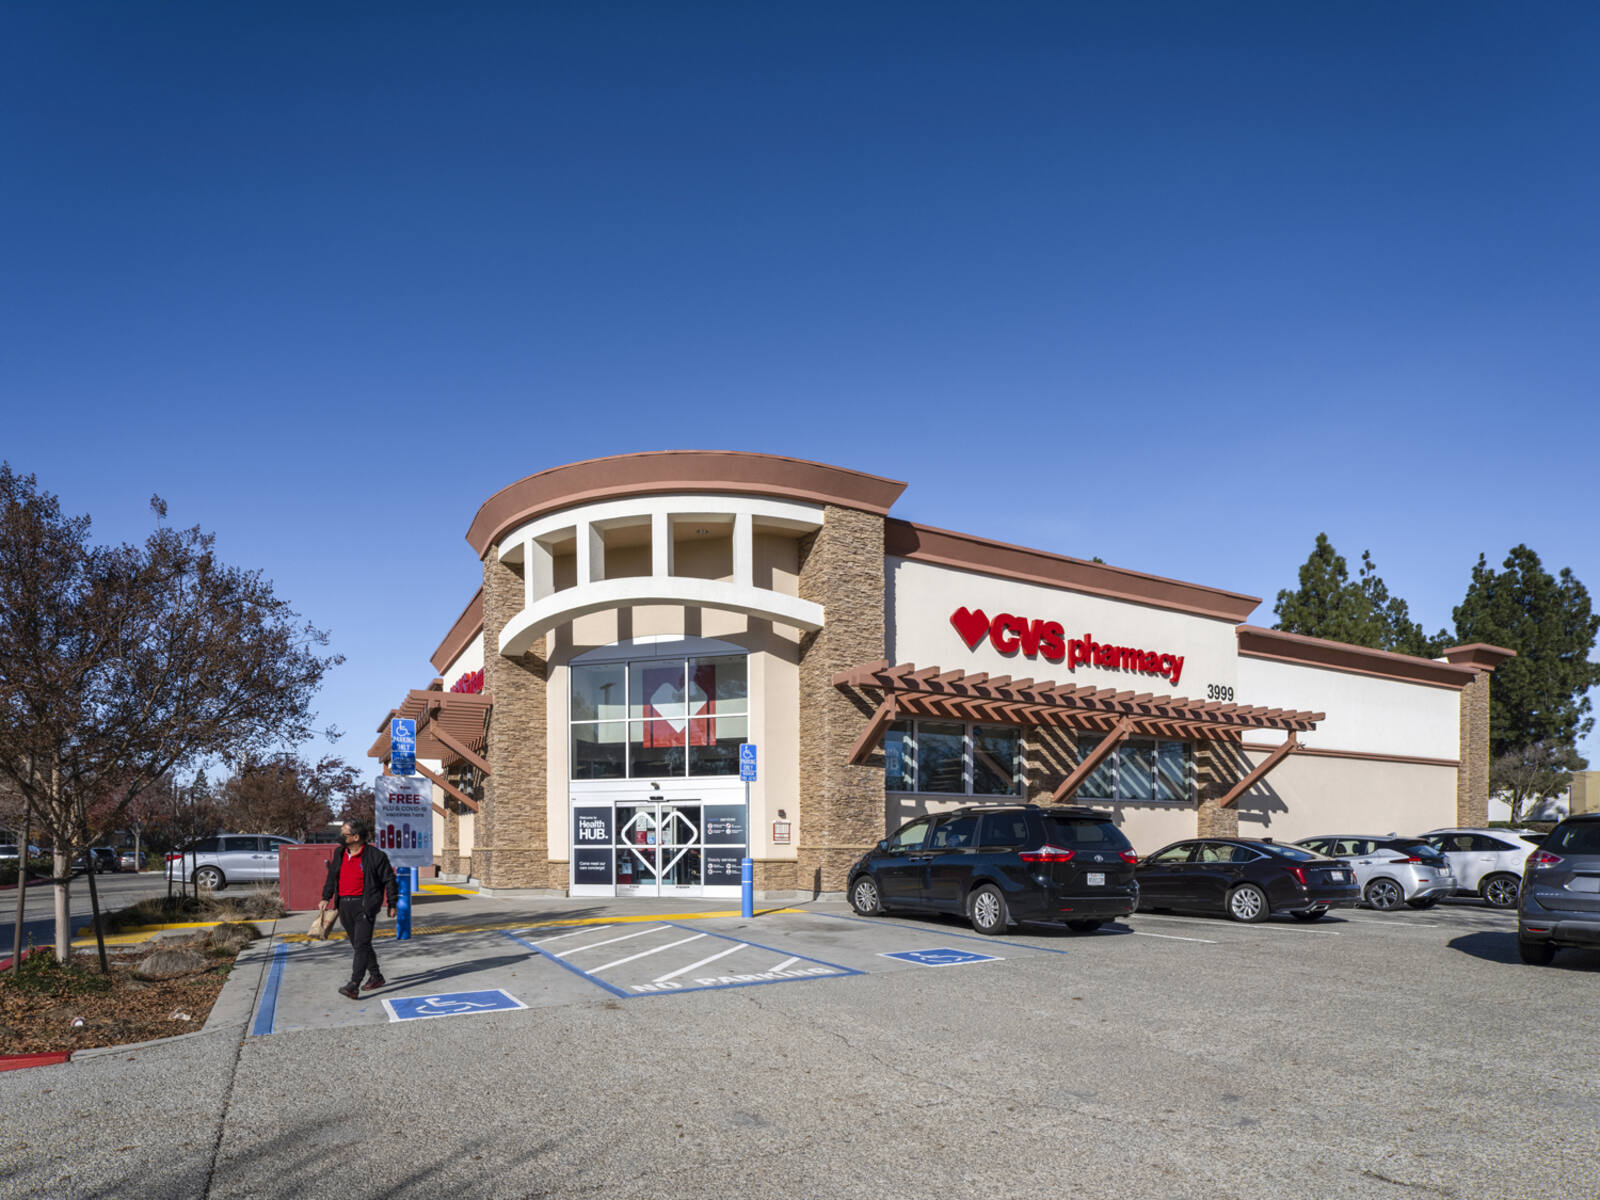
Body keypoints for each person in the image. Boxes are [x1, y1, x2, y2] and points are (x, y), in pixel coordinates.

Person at [319, 818, 398, 999]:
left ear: (355, 837)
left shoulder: (376, 856)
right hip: (344, 905)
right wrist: (326, 897)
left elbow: (389, 880)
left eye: (344, 834)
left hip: (365, 906)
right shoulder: (340, 853)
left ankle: (354, 984)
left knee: (361, 944)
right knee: (358, 944)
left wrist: (392, 903)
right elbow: (332, 877)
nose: (340, 837)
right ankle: (376, 976)